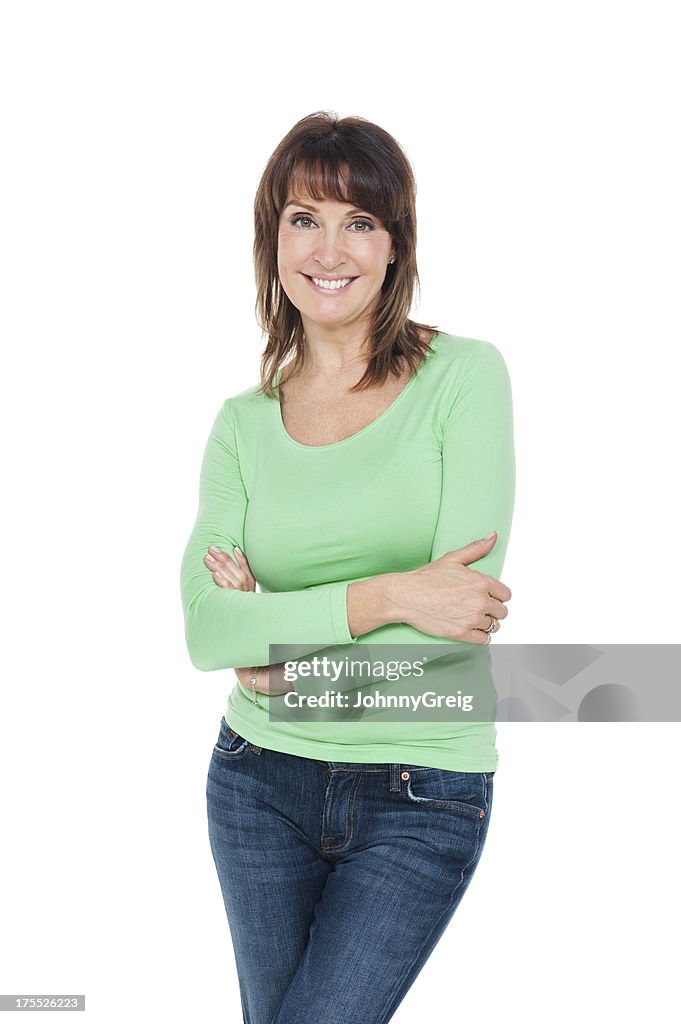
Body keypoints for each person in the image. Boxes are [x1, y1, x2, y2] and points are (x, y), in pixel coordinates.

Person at [180, 111, 515, 1024]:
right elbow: (210, 628)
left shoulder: (465, 378)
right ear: (272, 240)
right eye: (303, 218)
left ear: (396, 244)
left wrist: (283, 645)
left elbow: (457, 634)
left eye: (359, 221)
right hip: (256, 783)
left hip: (420, 790)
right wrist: (397, 593)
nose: (330, 248)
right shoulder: (242, 424)